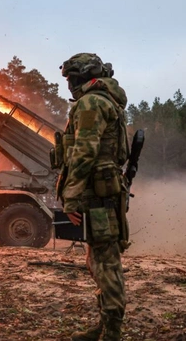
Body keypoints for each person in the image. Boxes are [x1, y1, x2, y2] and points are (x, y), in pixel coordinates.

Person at [56, 53, 130, 341]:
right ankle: (104, 326)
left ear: (82, 77)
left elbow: (84, 153)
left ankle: (112, 332)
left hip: (97, 198)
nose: (69, 85)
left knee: (105, 264)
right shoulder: (102, 100)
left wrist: (71, 196)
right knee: (96, 261)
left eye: (71, 79)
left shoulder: (91, 102)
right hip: (99, 194)